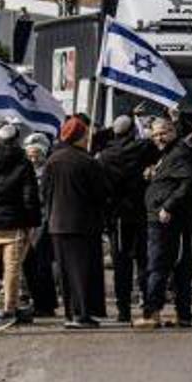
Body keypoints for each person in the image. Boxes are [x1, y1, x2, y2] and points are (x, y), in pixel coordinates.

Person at [134, 118, 192, 329]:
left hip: (168, 221)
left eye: (162, 133)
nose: (158, 138)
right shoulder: (168, 154)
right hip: (163, 220)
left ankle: (152, 314)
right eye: (154, 135)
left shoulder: (179, 152)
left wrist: (168, 206)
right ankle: (183, 315)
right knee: (177, 268)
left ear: (173, 131)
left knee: (158, 267)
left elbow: (189, 181)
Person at [44, 117, 109, 328]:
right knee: (82, 270)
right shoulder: (88, 161)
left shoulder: (52, 160)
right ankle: (82, 314)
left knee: (65, 272)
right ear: (80, 136)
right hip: (83, 225)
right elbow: (101, 194)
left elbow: (45, 193)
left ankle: (70, 314)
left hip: (57, 224)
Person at [0, 123, 41, 321]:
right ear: (16, 139)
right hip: (14, 222)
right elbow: (29, 195)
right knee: (12, 268)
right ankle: (9, 308)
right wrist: (33, 223)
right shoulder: (23, 161)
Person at [97, 114, 155, 321]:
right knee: (144, 262)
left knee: (121, 265)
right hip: (141, 213)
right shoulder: (142, 148)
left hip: (117, 217)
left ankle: (123, 310)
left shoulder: (105, 156)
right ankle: (148, 306)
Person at [20, 132, 59, 318]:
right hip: (28, 221)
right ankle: (42, 301)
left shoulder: (49, 171)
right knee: (31, 265)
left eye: (37, 154)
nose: (33, 158)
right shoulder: (23, 170)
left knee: (40, 264)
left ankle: (44, 304)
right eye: (30, 155)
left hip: (43, 221)